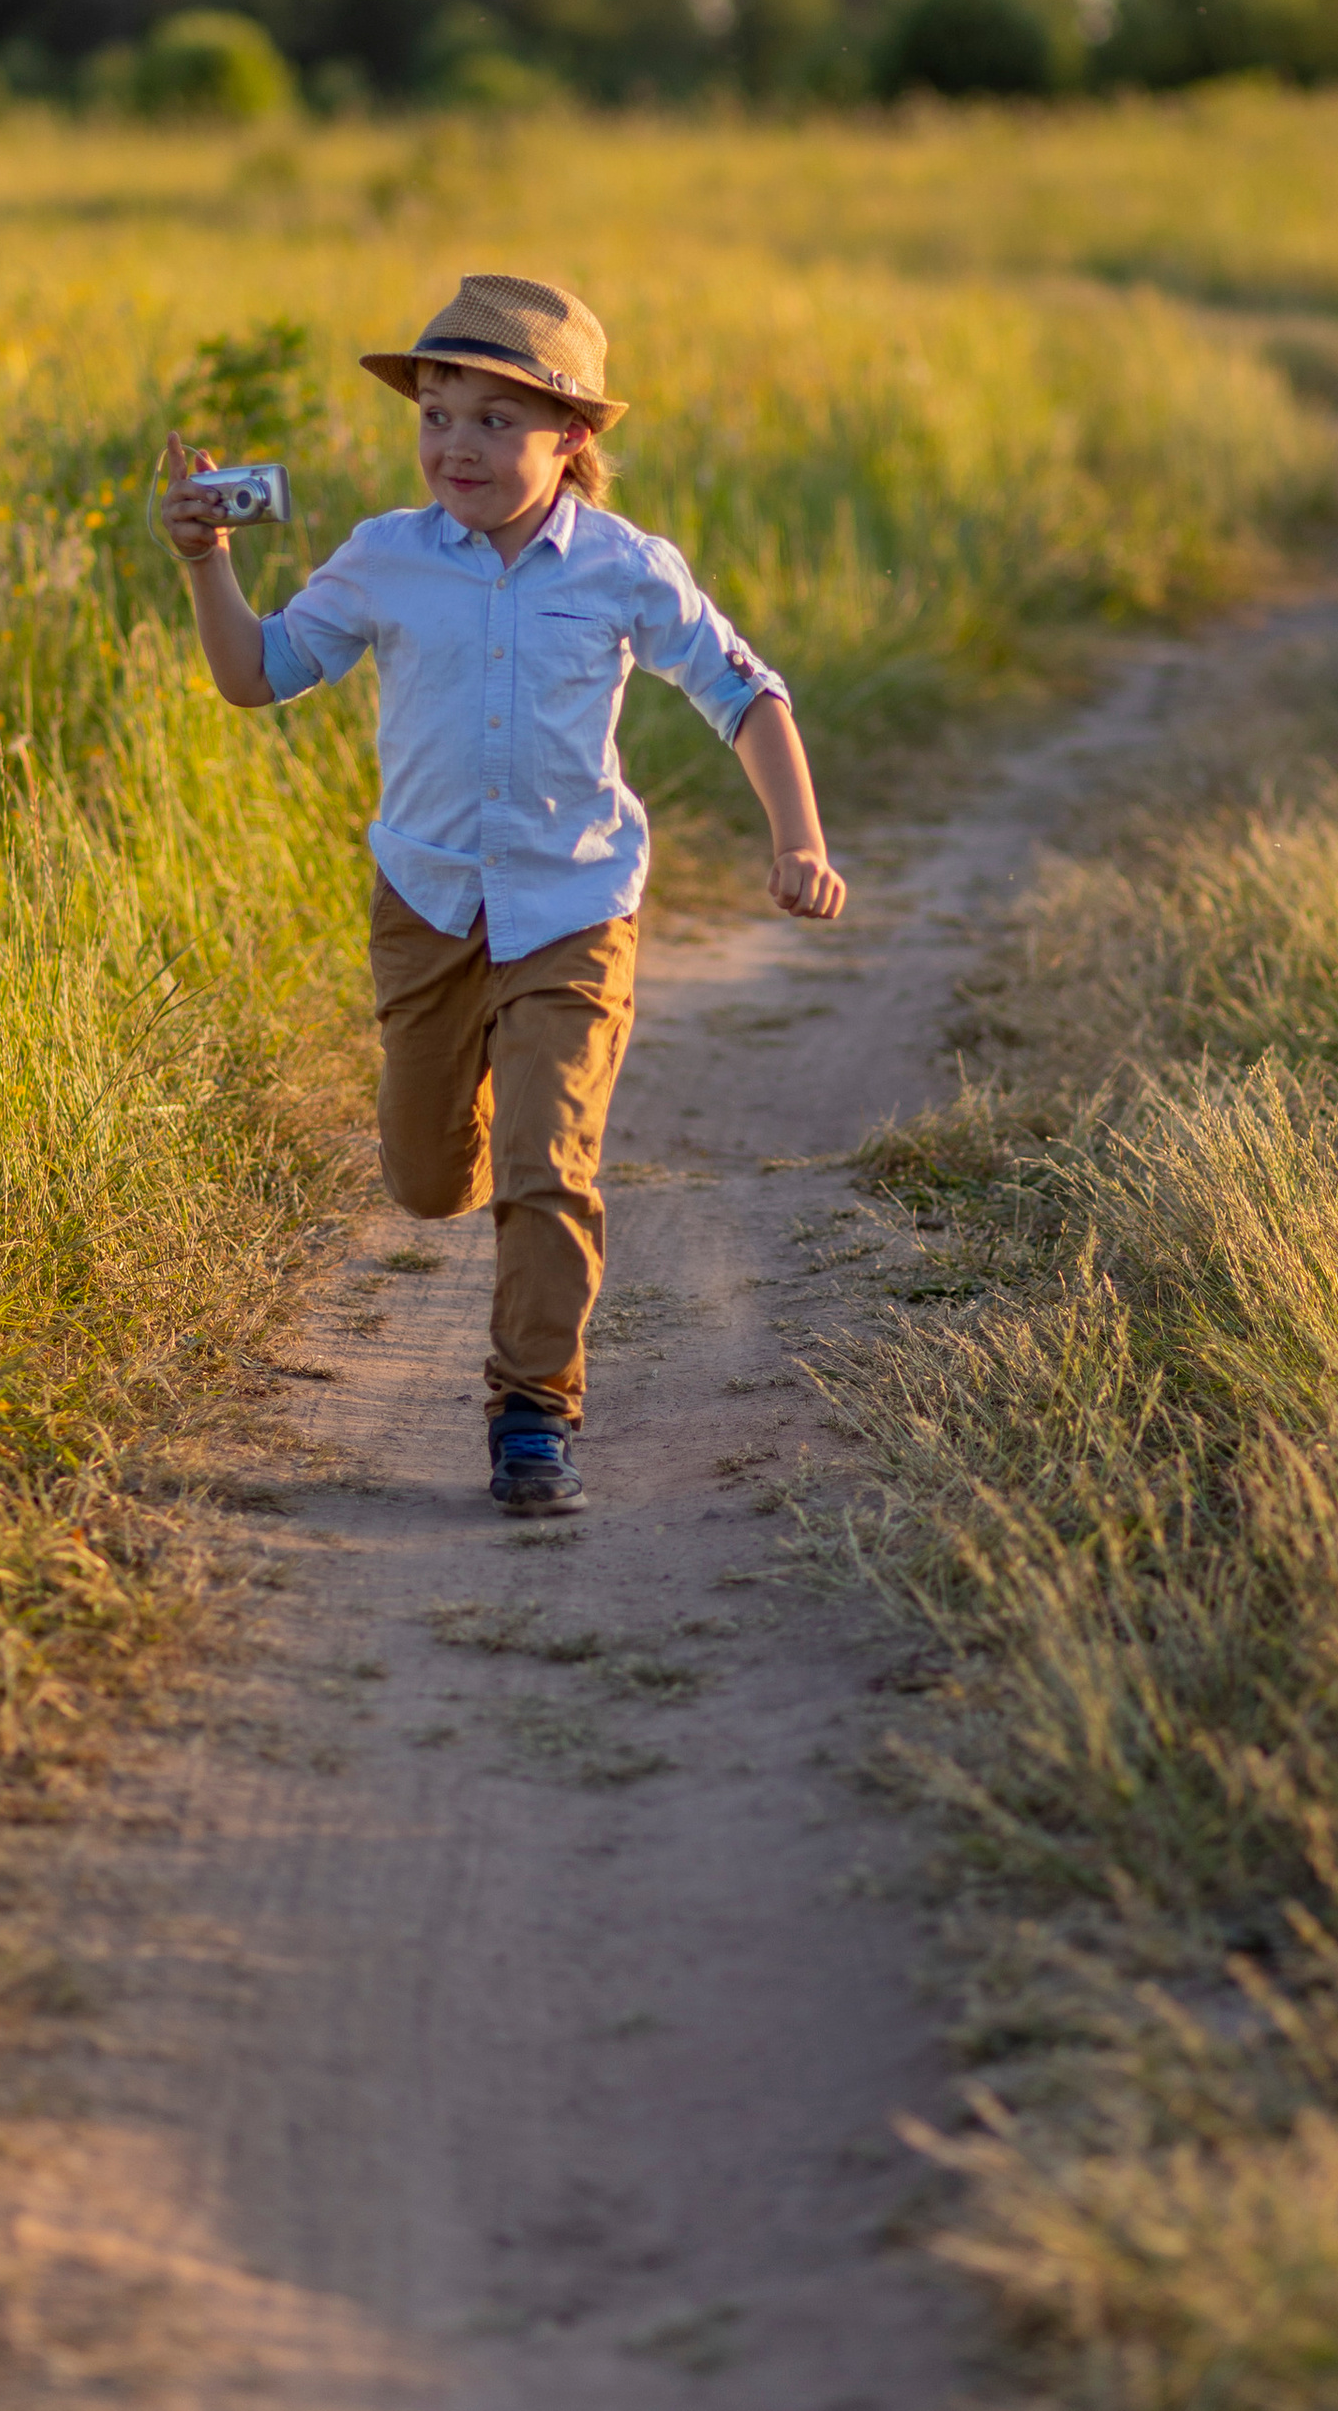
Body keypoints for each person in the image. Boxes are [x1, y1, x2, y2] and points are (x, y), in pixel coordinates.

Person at [159, 270, 845, 1519]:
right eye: (435, 414)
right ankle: (481, 1152)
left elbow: (748, 694)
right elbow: (255, 676)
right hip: (423, 906)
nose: (453, 446)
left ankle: (533, 1415)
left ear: (571, 437)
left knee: (551, 1164)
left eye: (491, 420)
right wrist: (207, 564)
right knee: (427, 1180)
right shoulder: (384, 559)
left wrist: (797, 838)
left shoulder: (629, 570)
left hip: (575, 909)